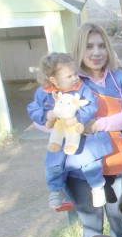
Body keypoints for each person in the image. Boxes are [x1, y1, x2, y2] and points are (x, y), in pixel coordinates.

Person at [69, 22, 122, 237]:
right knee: (92, 226)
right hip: (80, 168)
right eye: (89, 47)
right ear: (78, 49)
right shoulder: (70, 81)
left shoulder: (118, 78)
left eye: (101, 46)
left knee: (120, 222)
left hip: (114, 164)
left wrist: (97, 124)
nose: (96, 52)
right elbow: (50, 118)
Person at [27, 52, 110, 209]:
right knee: (53, 162)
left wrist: (79, 118)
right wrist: (46, 115)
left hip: (80, 136)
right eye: (69, 76)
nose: (75, 78)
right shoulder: (44, 93)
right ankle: (55, 190)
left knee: (89, 161)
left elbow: (91, 105)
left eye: (75, 74)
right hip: (58, 136)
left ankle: (97, 187)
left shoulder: (81, 89)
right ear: (53, 80)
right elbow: (33, 109)